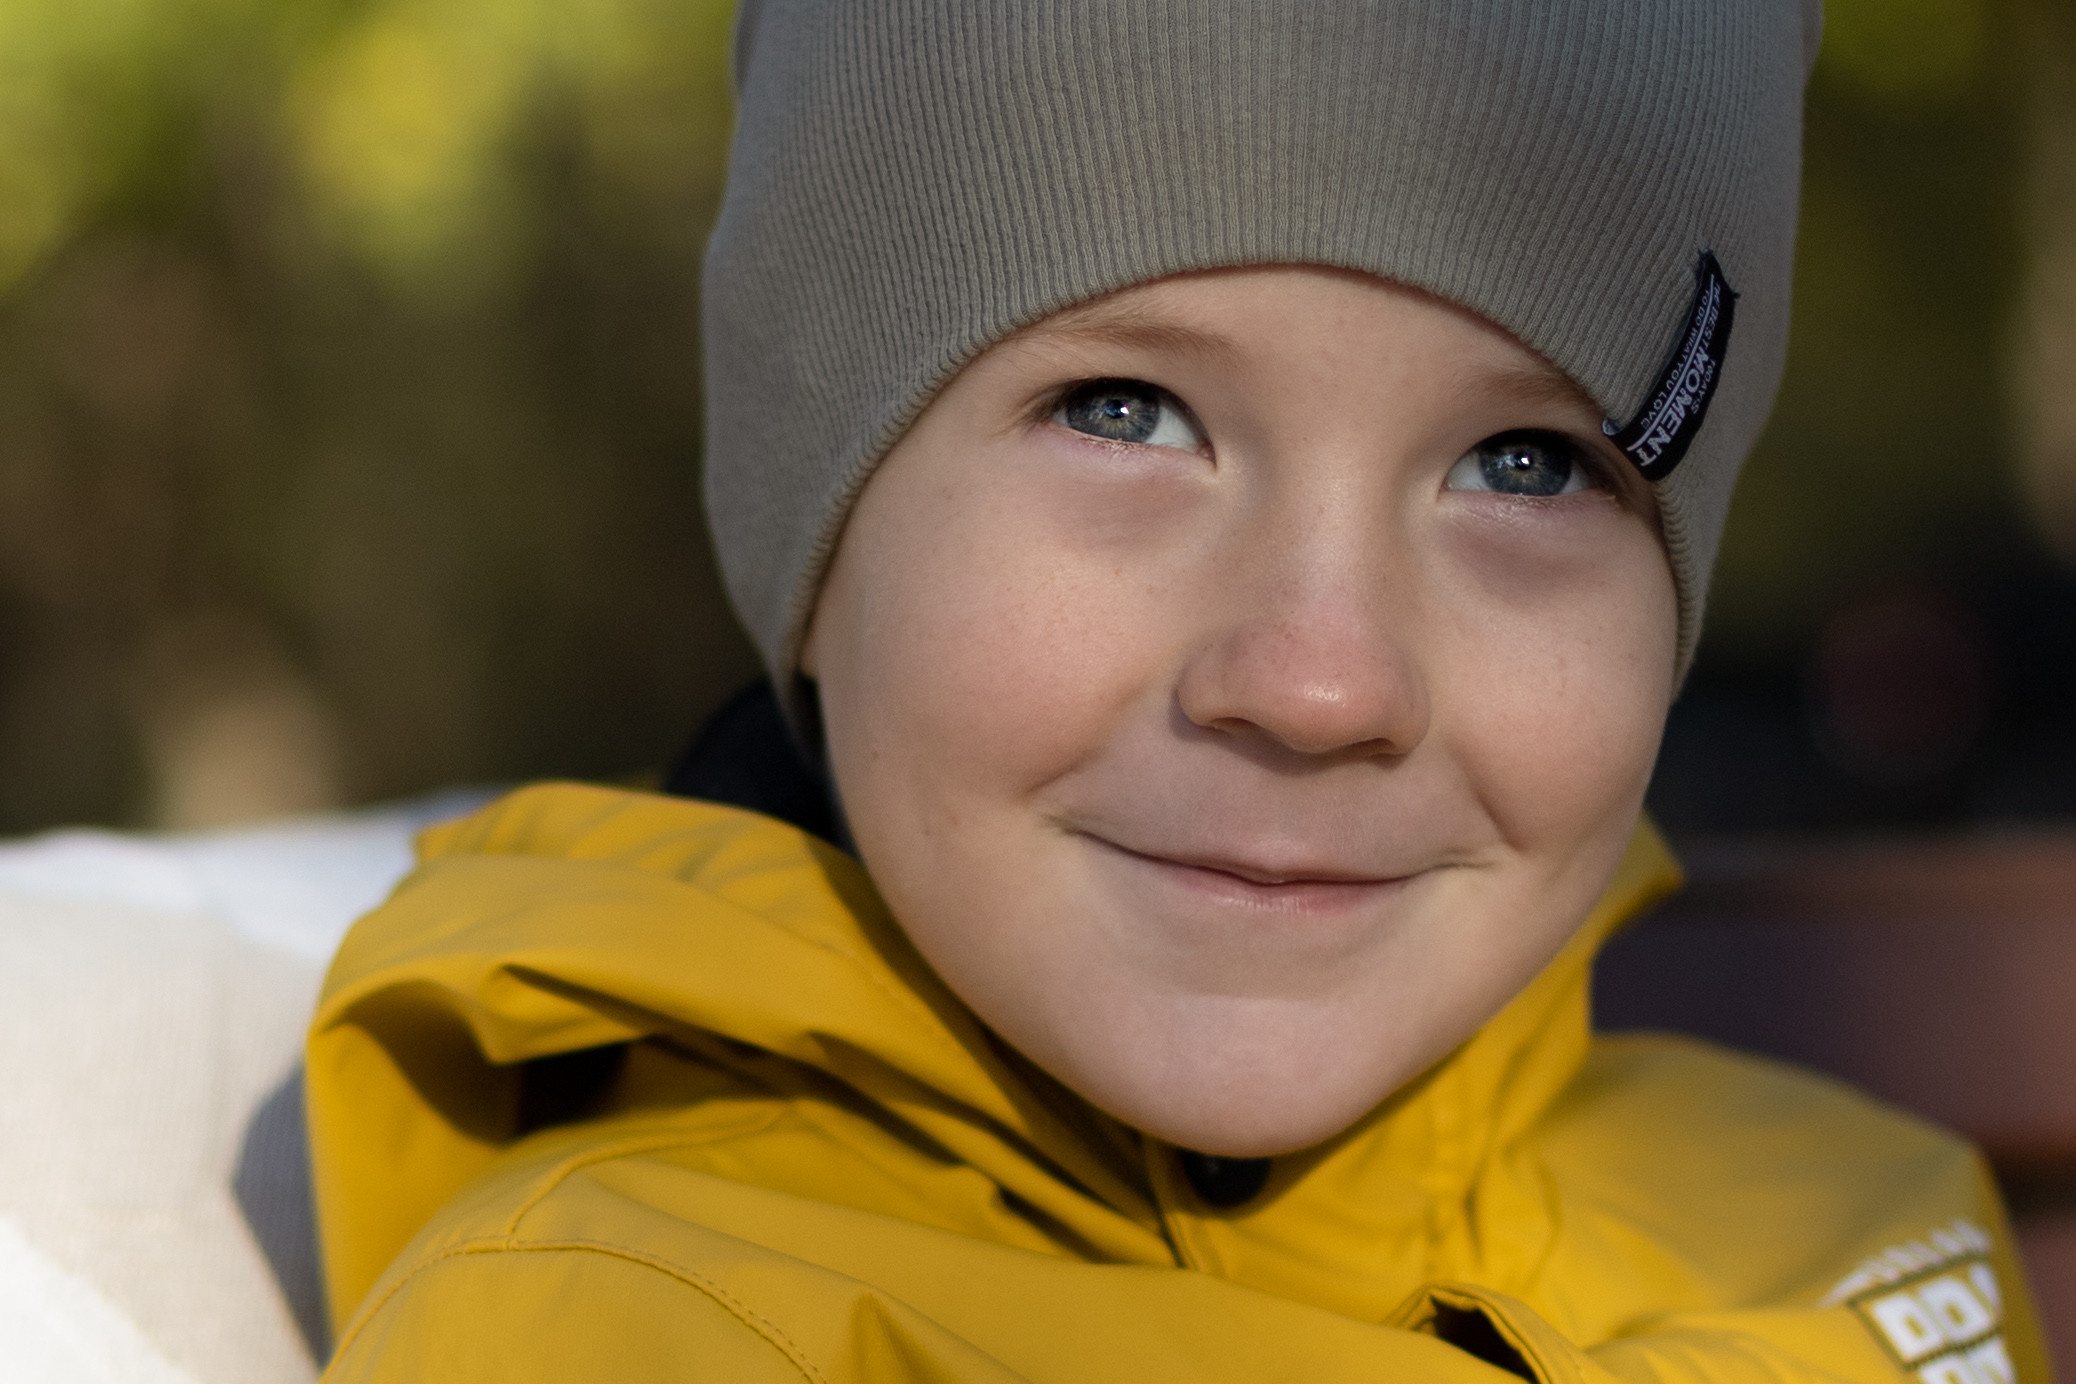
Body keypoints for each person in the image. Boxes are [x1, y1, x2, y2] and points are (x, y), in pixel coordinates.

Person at [305, 2, 2049, 1379]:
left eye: (1527, 462)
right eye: (1125, 413)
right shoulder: (638, 1330)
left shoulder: (1854, 1239)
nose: (1317, 680)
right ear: (818, 539)